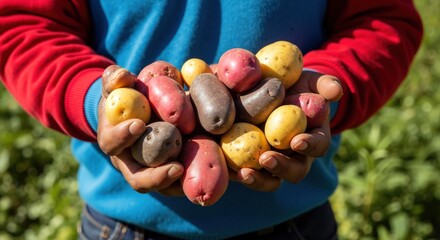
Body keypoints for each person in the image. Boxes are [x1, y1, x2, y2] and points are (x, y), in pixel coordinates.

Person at [0, 0, 423, 239]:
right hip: (124, 226)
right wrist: (97, 103)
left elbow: (384, 19)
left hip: (293, 223)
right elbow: (24, 25)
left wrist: (325, 92)